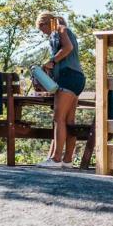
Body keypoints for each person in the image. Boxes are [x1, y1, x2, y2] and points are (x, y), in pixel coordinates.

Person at [34, 12, 85, 168]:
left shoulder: (61, 30)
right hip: (78, 78)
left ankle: (56, 159)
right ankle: (67, 161)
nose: (42, 32)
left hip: (67, 77)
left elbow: (67, 48)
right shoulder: (61, 33)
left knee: (58, 119)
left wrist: (51, 61)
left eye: (40, 28)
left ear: (46, 23)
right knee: (69, 121)